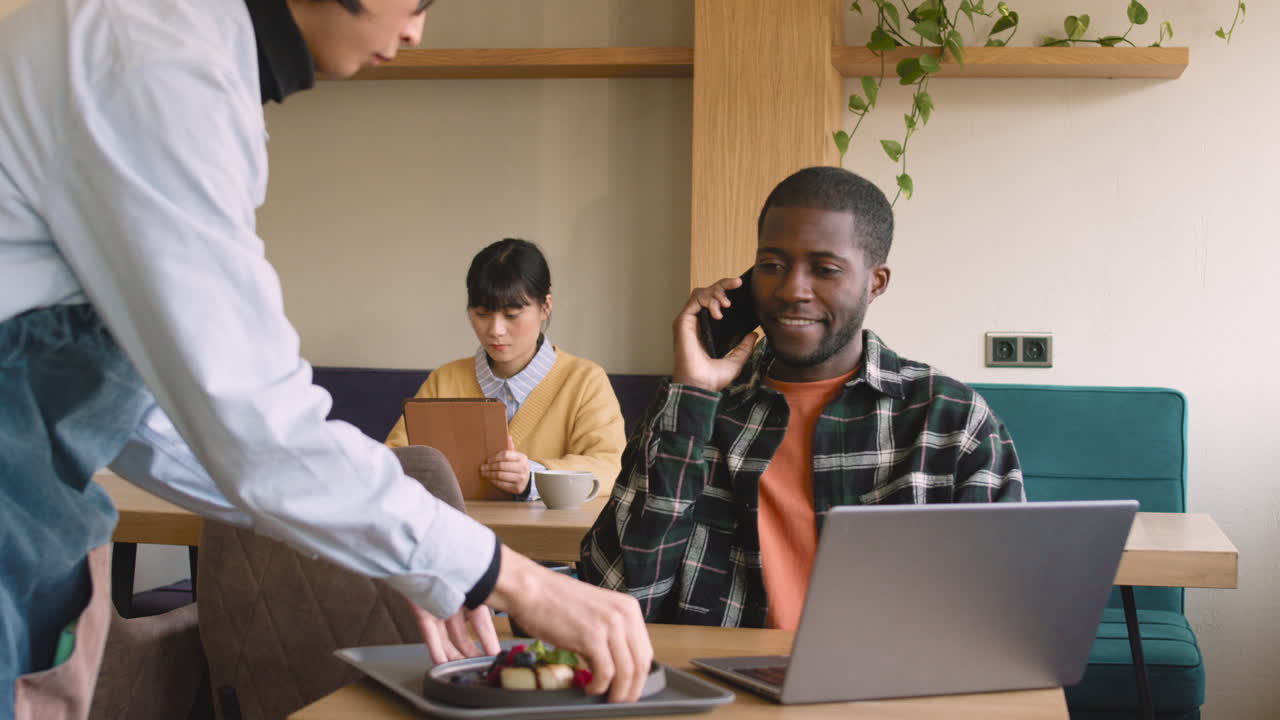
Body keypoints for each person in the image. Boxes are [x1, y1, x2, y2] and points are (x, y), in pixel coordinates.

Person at [0, 0, 651, 716]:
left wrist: (412, 557)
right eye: (414, 2)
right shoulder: (157, 62)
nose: (416, 31)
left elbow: (170, 422)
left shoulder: (172, 50)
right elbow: (253, 428)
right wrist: (514, 580)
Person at [580, 167, 1025, 630]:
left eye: (825, 270)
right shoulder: (698, 409)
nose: (792, 290)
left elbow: (1001, 616)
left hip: (884, 676)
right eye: (772, 265)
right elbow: (613, 597)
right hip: (712, 675)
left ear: (876, 282)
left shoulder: (951, 422)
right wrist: (691, 396)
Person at [386, 238, 626, 500]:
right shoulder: (444, 380)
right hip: (458, 526)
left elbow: (611, 467)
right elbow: (394, 461)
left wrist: (535, 477)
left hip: (550, 529)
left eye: (511, 315)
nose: (495, 330)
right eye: (481, 314)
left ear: (545, 307)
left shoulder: (585, 381)